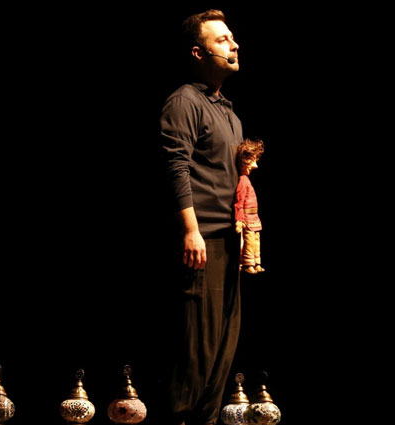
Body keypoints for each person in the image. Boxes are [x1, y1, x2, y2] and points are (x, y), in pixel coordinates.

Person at [159, 9, 243, 425]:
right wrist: (191, 231)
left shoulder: (227, 109)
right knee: (197, 352)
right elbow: (175, 167)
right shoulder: (184, 101)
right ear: (198, 52)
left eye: (232, 37)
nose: (234, 44)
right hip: (202, 241)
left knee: (223, 351)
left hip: (229, 241)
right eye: (222, 40)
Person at [235, 138, 265, 274]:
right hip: (247, 219)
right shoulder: (242, 181)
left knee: (256, 241)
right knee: (249, 241)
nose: (255, 166)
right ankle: (248, 264)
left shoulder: (246, 180)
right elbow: (239, 202)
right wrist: (239, 219)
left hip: (254, 218)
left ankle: (256, 262)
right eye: (251, 160)